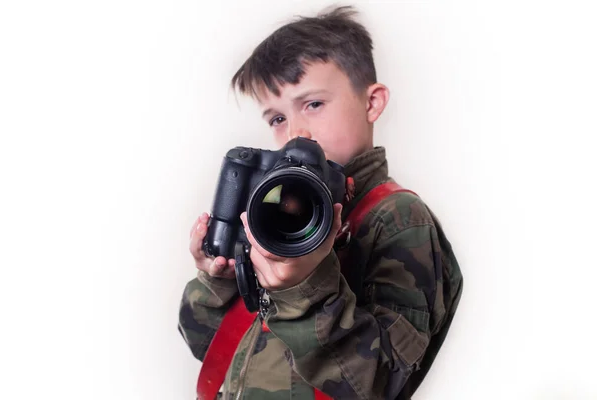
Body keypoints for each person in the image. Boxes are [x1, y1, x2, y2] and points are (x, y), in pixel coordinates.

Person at [178, 5, 463, 399]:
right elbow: (208, 350)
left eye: (313, 104)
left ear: (372, 102)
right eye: (277, 119)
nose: (298, 132)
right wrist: (217, 281)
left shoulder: (397, 219)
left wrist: (303, 288)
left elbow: (383, 383)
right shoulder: (276, 213)